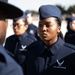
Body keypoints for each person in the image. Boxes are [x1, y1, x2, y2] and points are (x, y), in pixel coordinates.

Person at [26, 5, 75, 75]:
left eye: (48, 25)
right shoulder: (31, 51)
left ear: (59, 28)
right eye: (40, 25)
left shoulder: (71, 54)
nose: (43, 29)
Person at [0, 1, 24, 75]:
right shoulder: (9, 68)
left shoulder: (31, 42)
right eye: (14, 25)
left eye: (18, 25)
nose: (15, 28)